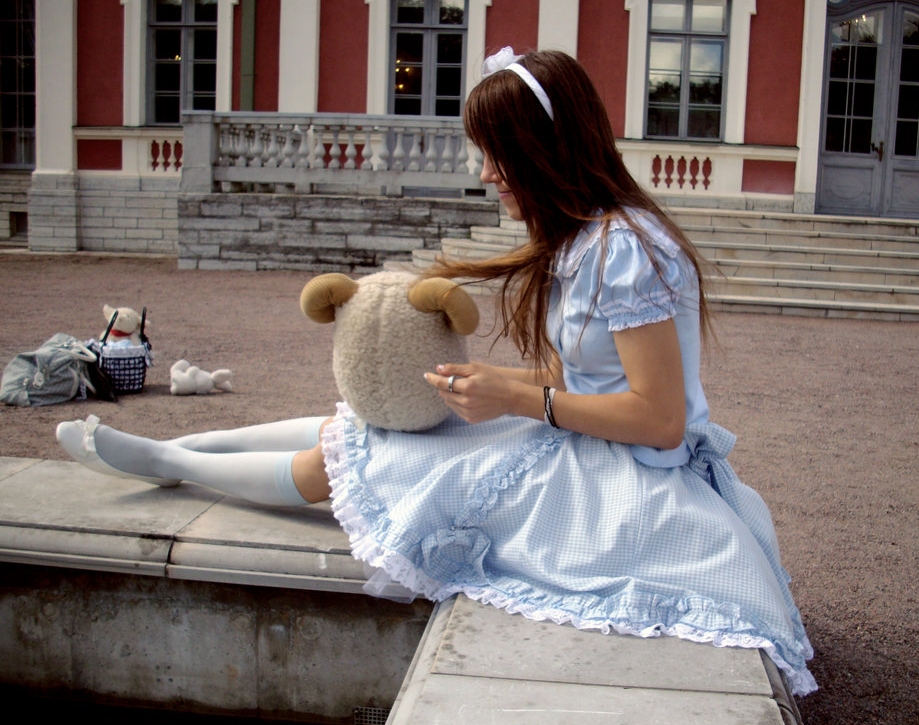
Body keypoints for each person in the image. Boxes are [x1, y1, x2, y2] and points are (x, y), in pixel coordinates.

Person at [56, 47, 816, 695]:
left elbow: (659, 418)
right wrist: (503, 395)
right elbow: (573, 382)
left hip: (628, 482)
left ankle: (173, 461)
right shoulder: (586, 238)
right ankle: (187, 452)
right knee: (377, 428)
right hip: (582, 448)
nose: (486, 173)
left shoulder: (627, 248)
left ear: (542, 149)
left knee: (381, 462)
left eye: (494, 154)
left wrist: (517, 395)